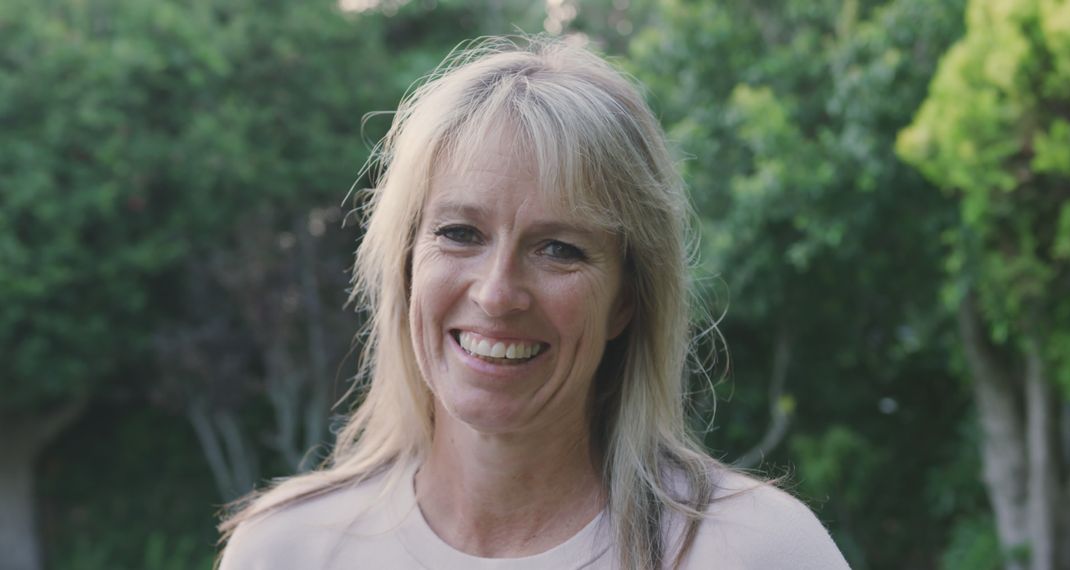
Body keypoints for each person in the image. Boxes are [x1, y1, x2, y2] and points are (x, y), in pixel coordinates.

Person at [217, 36, 850, 570]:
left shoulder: (759, 553)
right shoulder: (284, 552)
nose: (496, 294)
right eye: (459, 234)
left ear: (627, 300)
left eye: (559, 249)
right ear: (407, 264)